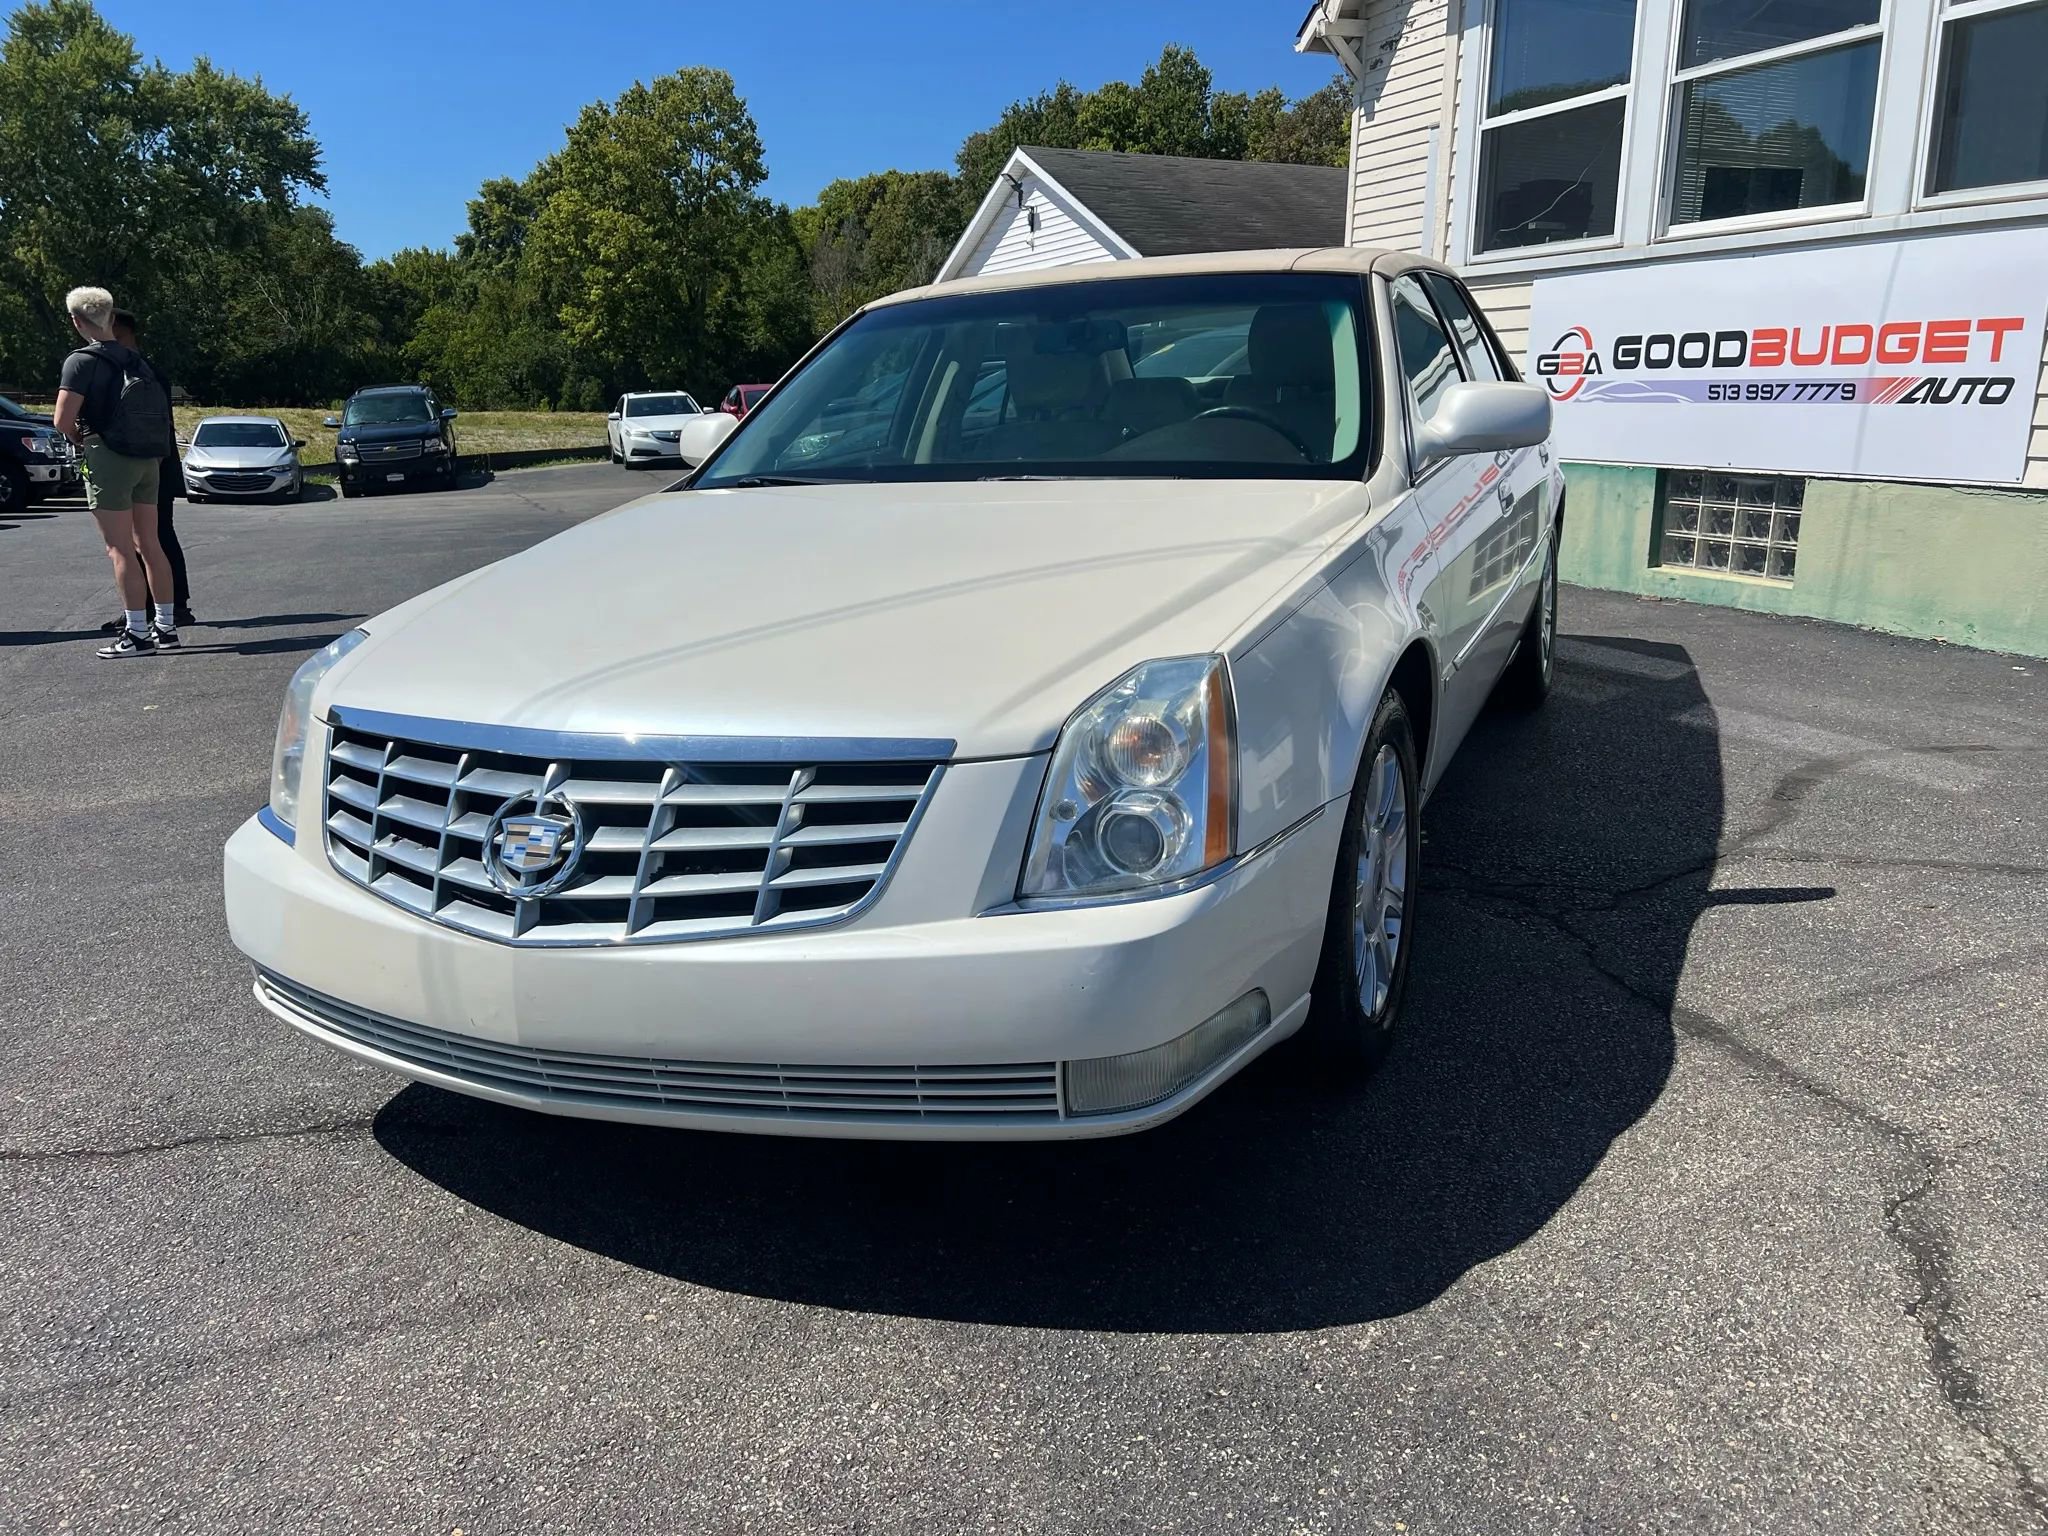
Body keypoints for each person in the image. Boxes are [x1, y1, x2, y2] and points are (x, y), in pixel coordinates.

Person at [52, 286, 181, 658]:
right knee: (150, 544)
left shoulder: (81, 361)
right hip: (148, 460)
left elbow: (62, 419)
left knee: (119, 549)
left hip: (108, 457)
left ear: (78, 321)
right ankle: (166, 627)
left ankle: (137, 634)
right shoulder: (138, 361)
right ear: (110, 317)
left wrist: (82, 440)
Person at [104, 308, 195, 630]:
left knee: (152, 537)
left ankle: (169, 606)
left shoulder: (135, 370)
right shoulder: (140, 368)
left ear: (117, 330)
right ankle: (151, 606)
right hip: (152, 463)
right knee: (147, 537)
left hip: (148, 464)